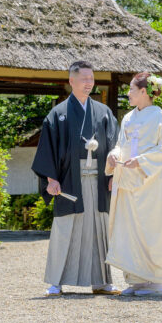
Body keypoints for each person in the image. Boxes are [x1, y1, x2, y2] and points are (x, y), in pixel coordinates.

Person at [31, 60, 120, 297]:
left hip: (100, 179)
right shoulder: (57, 114)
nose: (89, 83)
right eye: (84, 79)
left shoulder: (103, 112)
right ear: (71, 81)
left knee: (99, 229)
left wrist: (115, 174)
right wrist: (51, 179)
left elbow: (115, 144)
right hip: (70, 179)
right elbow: (47, 148)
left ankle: (101, 281)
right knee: (64, 228)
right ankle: (55, 281)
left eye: (91, 79)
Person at [105, 71, 162, 296]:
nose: (127, 93)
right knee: (130, 230)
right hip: (128, 182)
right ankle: (137, 281)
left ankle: (155, 281)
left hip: (150, 183)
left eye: (131, 89)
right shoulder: (128, 118)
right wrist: (113, 154)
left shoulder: (159, 118)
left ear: (143, 92)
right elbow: (122, 144)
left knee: (150, 228)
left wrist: (141, 161)